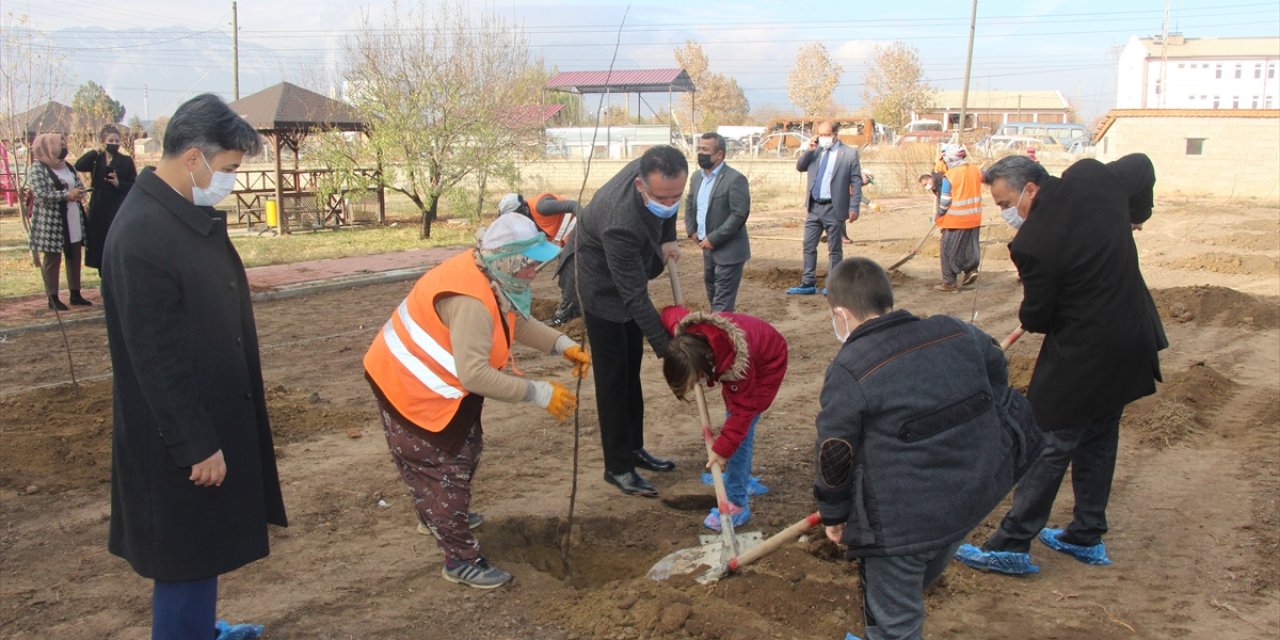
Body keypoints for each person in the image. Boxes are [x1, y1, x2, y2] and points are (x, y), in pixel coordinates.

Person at [101, 93, 283, 640]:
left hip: (205, 414)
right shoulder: (141, 234)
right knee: (184, 557)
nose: (229, 180)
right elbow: (155, 356)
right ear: (193, 158)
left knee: (201, 549)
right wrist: (195, 442)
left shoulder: (176, 214)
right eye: (227, 168)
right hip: (176, 436)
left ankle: (201, 629)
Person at [955, 154, 1167, 576]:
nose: (1006, 214)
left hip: (1084, 352)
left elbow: (1039, 319)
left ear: (1030, 189)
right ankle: (1086, 535)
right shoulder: (1091, 178)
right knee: (1100, 435)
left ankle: (1012, 545)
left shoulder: (1033, 243)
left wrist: (1030, 306)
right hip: (1132, 337)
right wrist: (1135, 214)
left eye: (1004, 203)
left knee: (1049, 440)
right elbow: (1143, 164)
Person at [815, 257, 1042, 640]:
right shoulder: (953, 330)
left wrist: (834, 513)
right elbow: (995, 365)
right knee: (925, 562)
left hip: (901, 520)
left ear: (840, 313)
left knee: (895, 621)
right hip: (968, 495)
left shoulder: (849, 368)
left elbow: (835, 451)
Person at [363, 212, 589, 589]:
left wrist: (562, 345)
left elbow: (515, 322)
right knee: (444, 468)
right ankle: (460, 560)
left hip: (433, 386)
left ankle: (436, 514)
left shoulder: (491, 274)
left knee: (464, 449)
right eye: (531, 265)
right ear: (511, 261)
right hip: (409, 389)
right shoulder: (472, 300)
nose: (535, 272)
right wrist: (540, 392)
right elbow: (475, 375)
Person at [558, 145, 686, 497]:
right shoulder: (621, 222)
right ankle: (618, 467)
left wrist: (669, 236)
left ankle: (634, 448)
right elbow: (633, 297)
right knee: (614, 379)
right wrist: (672, 350)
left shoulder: (660, 168)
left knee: (631, 372)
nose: (670, 201)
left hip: (627, 276)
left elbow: (669, 207)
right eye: (662, 196)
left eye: (677, 194)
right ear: (640, 184)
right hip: (600, 288)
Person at [659, 304, 787, 530]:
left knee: (740, 432)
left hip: (767, 362)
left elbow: (742, 412)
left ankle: (737, 502)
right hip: (750, 344)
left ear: (704, 367)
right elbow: (670, 313)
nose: (695, 387)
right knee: (735, 425)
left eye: (694, 381)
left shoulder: (737, 367)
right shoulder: (687, 334)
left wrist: (722, 449)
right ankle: (738, 478)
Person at [787, 119, 862, 295]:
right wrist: (808, 150)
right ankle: (808, 283)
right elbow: (800, 167)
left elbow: (856, 182)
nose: (823, 138)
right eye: (820, 134)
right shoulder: (815, 151)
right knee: (808, 245)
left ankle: (833, 285)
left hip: (834, 207)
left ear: (835, 135)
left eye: (826, 135)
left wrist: (854, 207)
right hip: (814, 206)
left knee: (834, 248)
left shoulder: (849, 154)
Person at [685, 132, 751, 312]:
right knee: (713, 296)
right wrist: (691, 230)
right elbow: (690, 203)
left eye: (705, 150)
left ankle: (719, 335)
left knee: (722, 303)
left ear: (719, 155)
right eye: (699, 149)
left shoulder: (735, 179)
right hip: (707, 249)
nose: (700, 153)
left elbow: (739, 214)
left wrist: (714, 238)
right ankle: (720, 331)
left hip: (729, 251)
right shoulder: (697, 177)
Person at [27, 133, 90, 310]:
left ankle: (75, 293)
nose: (64, 147)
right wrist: (66, 195)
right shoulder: (37, 168)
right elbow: (40, 193)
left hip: (72, 216)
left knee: (74, 255)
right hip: (51, 220)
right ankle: (52, 297)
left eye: (64, 144)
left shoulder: (67, 166)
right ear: (48, 147)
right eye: (60, 144)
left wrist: (80, 192)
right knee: (52, 259)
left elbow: (78, 184)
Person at [75, 124, 137, 270]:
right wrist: (96, 151)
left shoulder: (126, 160)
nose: (114, 144)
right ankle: (101, 272)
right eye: (111, 140)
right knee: (98, 239)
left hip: (116, 202)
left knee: (114, 238)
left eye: (117, 141)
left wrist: (118, 183)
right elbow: (79, 165)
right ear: (104, 141)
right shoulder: (97, 159)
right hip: (98, 202)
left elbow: (134, 184)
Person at [933, 144, 983, 292]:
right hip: (974, 217)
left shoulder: (951, 175)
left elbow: (945, 200)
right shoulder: (975, 170)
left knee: (947, 250)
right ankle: (971, 270)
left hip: (956, 219)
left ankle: (949, 283)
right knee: (969, 247)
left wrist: (940, 214)